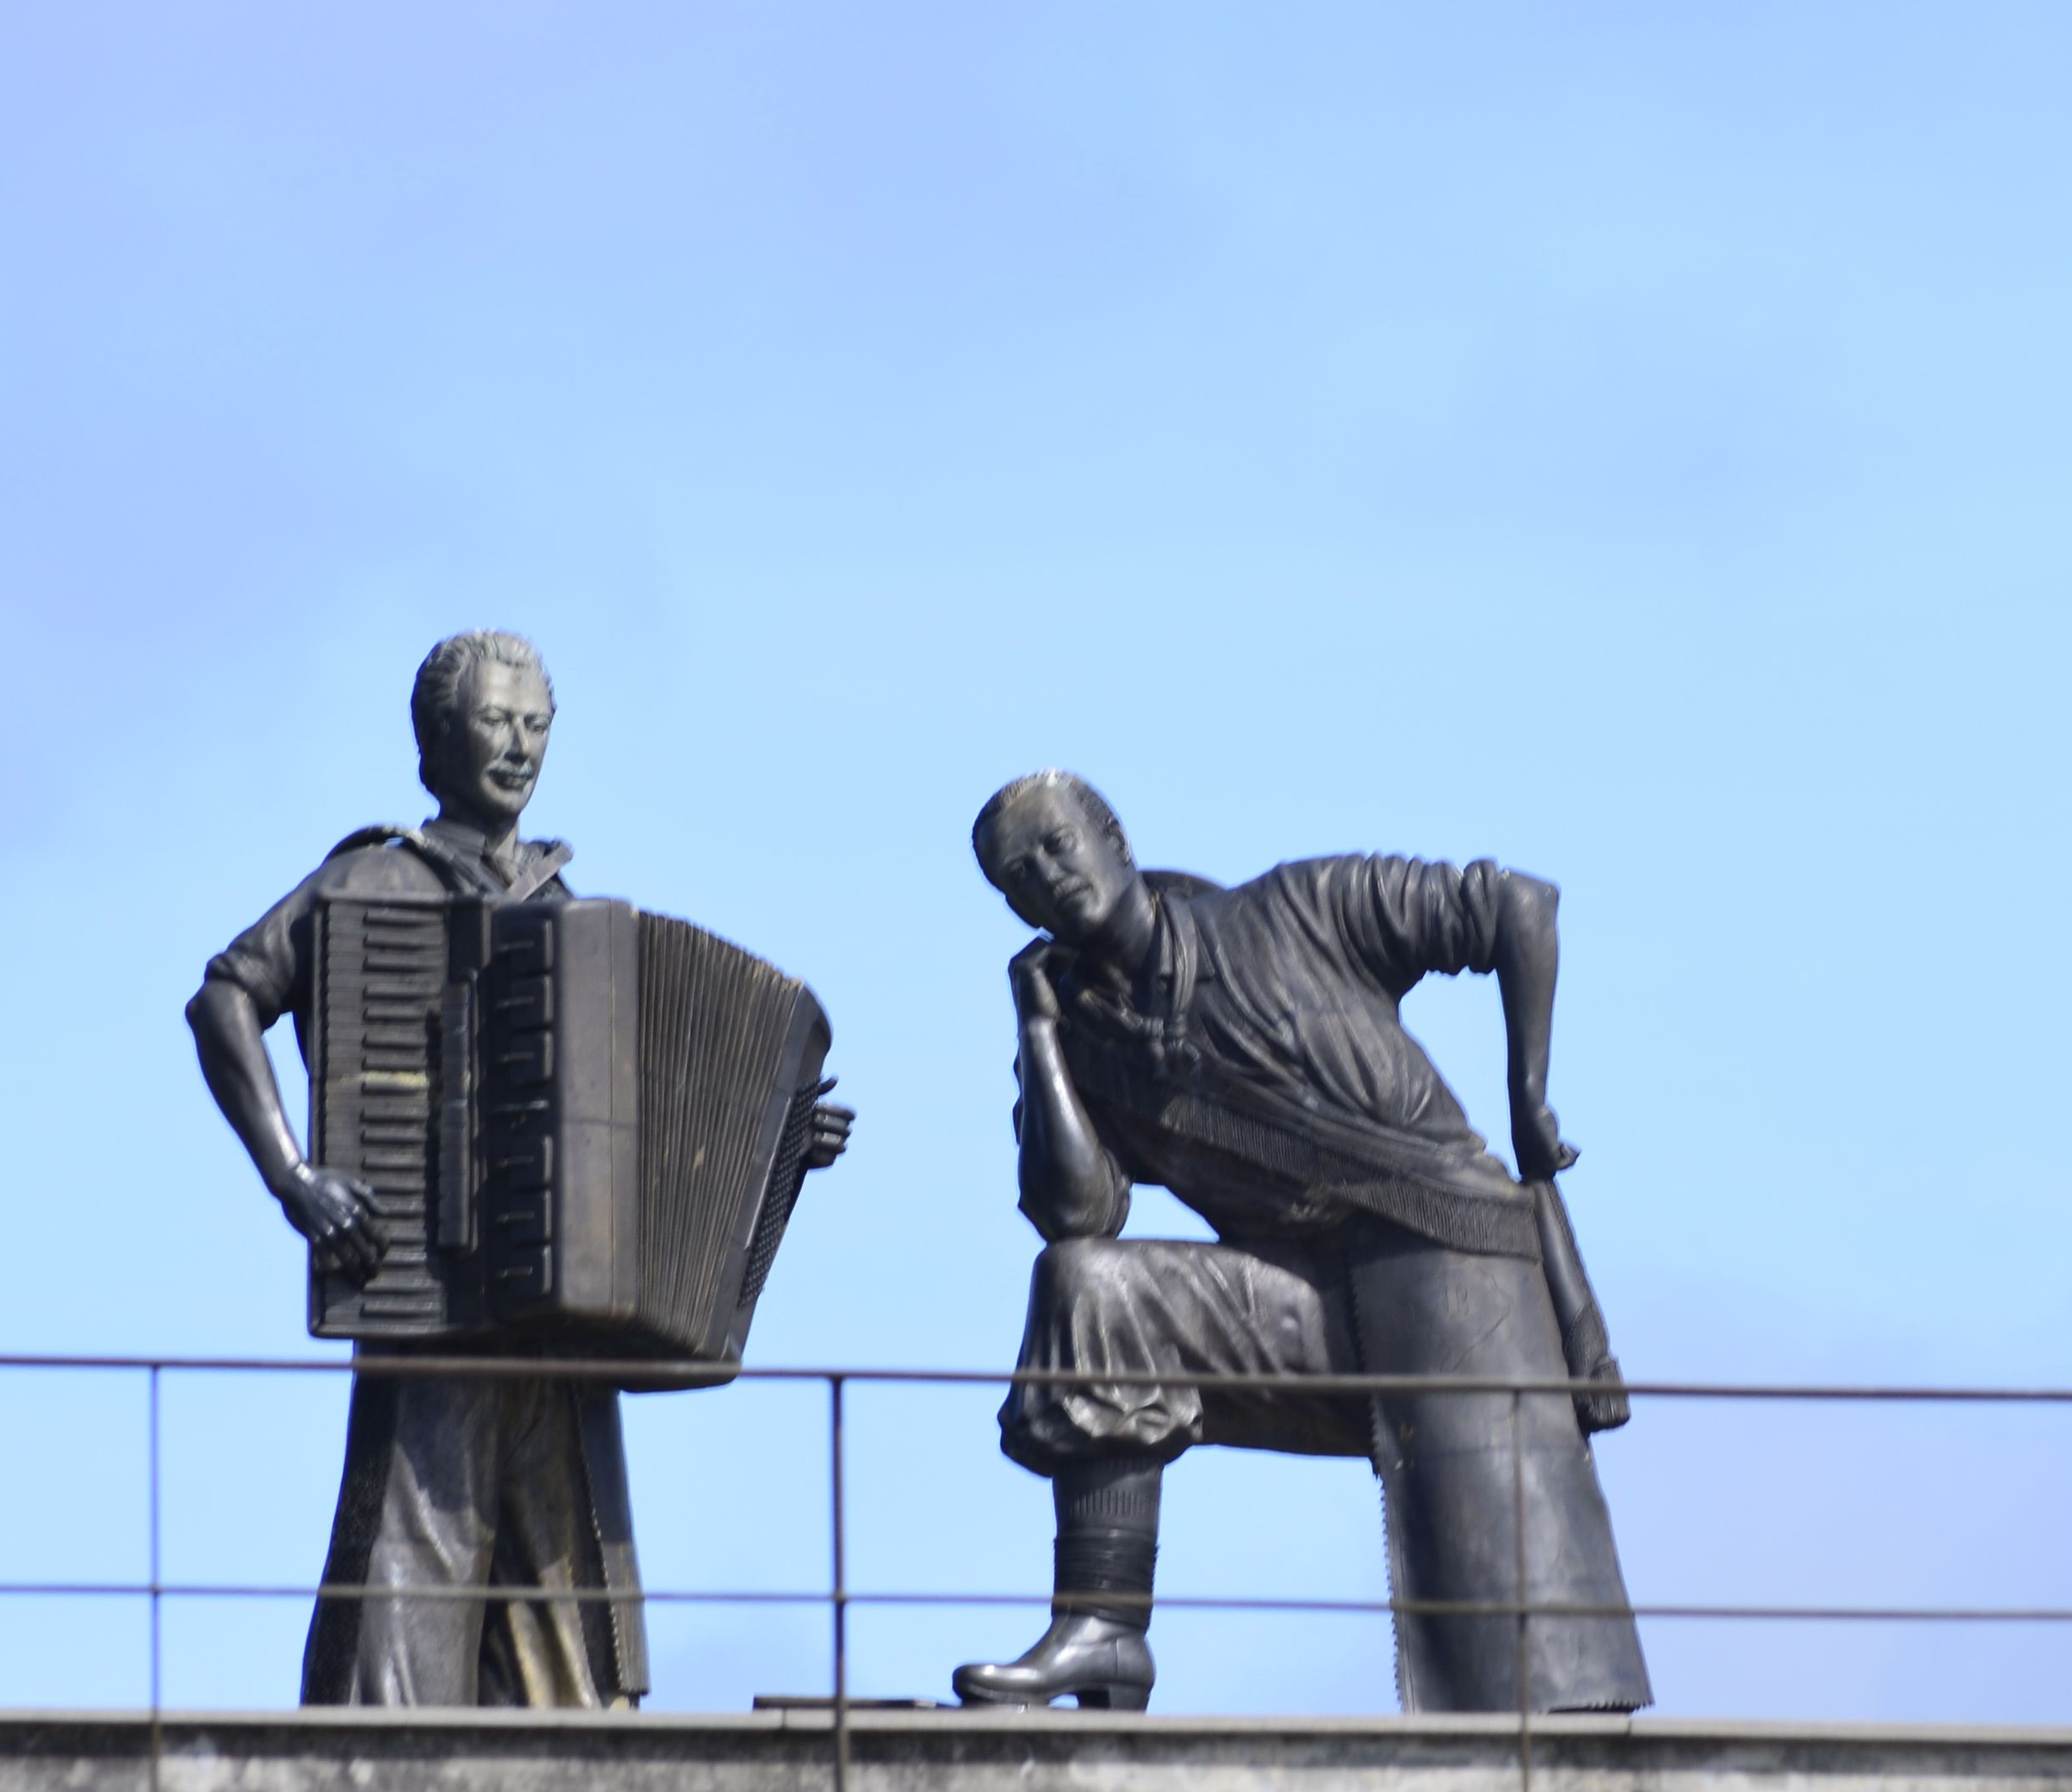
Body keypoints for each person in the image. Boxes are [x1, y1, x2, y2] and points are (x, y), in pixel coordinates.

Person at [187, 631, 850, 1708]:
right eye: (494, 721)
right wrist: (294, 1175)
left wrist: (774, 1151)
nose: (517, 746)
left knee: (569, 1606)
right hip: (429, 1300)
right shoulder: (372, 876)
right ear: (434, 739)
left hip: (556, 1329)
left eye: (535, 724)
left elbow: (657, 1146)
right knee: (410, 1568)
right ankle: (380, 1779)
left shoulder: (565, 911)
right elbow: (225, 1000)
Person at [955, 771, 1650, 1716]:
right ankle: (1104, 1629)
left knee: (1520, 1687)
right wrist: (1038, 1035)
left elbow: (1514, 906)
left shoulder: (1298, 909)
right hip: (1303, 1306)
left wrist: (1528, 1098)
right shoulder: (1082, 1036)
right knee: (1087, 1285)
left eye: (1055, 847)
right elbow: (1073, 1214)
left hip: (1450, 1271)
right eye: (1016, 880)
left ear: (1113, 837)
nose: (1045, 880)